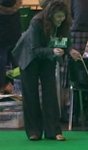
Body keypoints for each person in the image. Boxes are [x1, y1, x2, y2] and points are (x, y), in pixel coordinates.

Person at [12, 0, 76, 141]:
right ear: (51, 15)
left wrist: (70, 50)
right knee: (31, 94)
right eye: (58, 16)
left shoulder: (64, 23)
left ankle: (53, 131)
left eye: (63, 16)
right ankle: (34, 132)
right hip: (29, 57)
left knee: (50, 93)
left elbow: (66, 41)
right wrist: (52, 50)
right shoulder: (36, 22)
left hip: (48, 56)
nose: (61, 19)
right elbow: (34, 49)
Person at [0, 0, 21, 94]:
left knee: (6, 63)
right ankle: (9, 86)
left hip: (11, 34)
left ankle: (7, 86)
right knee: (14, 63)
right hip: (12, 34)